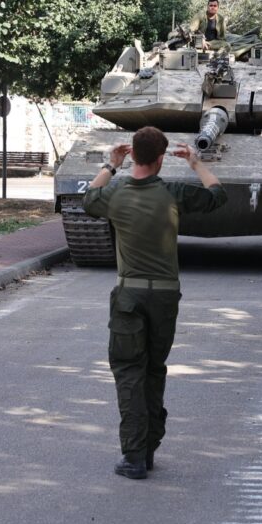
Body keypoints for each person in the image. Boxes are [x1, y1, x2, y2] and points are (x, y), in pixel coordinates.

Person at [83, 126, 227, 480]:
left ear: (132, 154)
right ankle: (148, 448)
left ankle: (134, 456)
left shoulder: (115, 194)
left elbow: (88, 199)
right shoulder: (173, 193)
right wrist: (196, 162)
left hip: (129, 298)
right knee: (153, 369)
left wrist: (111, 164)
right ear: (161, 159)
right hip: (165, 297)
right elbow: (217, 195)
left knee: (129, 372)